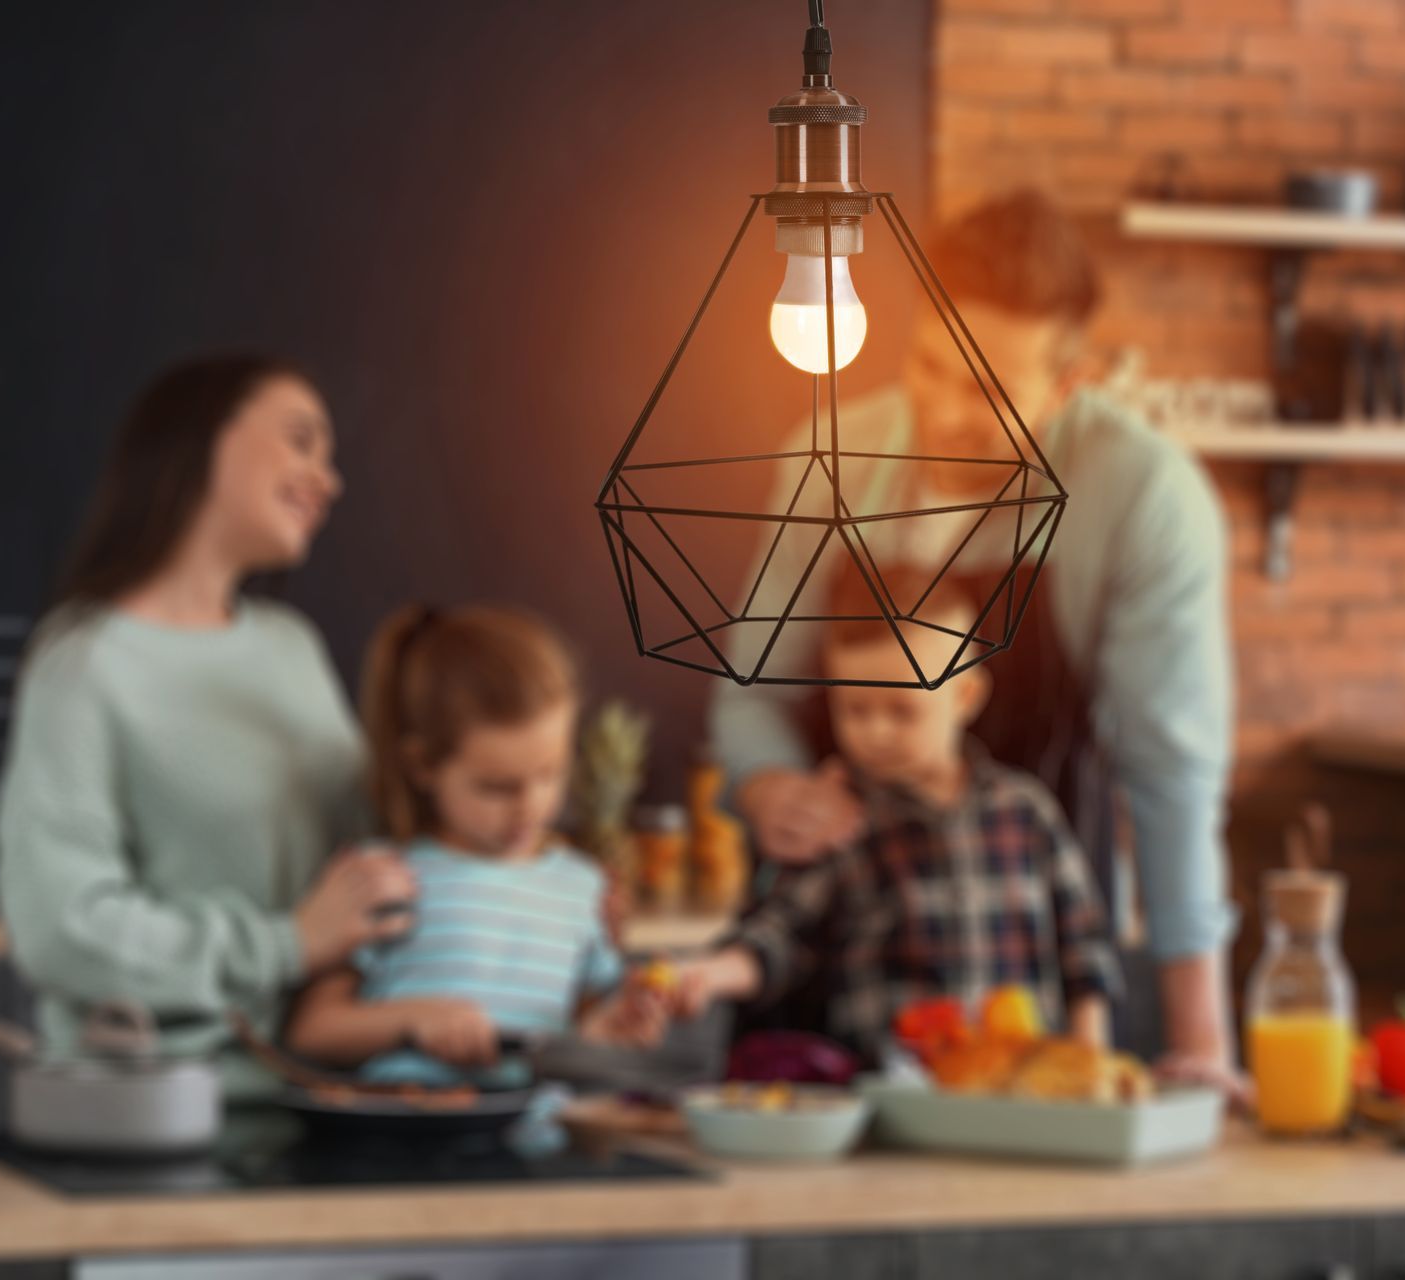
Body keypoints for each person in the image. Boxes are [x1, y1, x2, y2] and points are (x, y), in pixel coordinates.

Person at [711, 190, 1240, 1086]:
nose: (946, 411)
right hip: (830, 970)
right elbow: (753, 690)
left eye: (988, 389)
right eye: (929, 367)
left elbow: (1171, 776)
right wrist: (767, 791)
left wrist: (1200, 1047)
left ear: (1070, 388)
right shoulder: (831, 454)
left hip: (1019, 977)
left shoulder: (1144, 496)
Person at [0, 354, 417, 1097]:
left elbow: (366, 872)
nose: (329, 478)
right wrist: (285, 945)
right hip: (157, 1109)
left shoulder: (292, 649)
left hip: (325, 1101)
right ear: (200, 442)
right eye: (300, 441)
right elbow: (62, 928)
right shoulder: (85, 662)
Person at [673, 571, 1118, 1058]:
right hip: (891, 1091)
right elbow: (778, 937)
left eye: (902, 710)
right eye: (855, 709)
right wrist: (710, 974)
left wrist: (1087, 1058)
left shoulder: (1028, 813)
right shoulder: (840, 822)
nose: (876, 732)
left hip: (1021, 1086)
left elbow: (1083, 949)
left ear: (965, 697)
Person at [286, 605, 665, 1083]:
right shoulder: (385, 880)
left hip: (535, 1145)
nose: (530, 806)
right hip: (404, 1139)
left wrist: (611, 1025)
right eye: (497, 787)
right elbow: (312, 1031)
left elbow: (573, 1034)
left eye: (549, 774)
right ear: (423, 766)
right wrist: (412, 1020)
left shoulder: (584, 889)